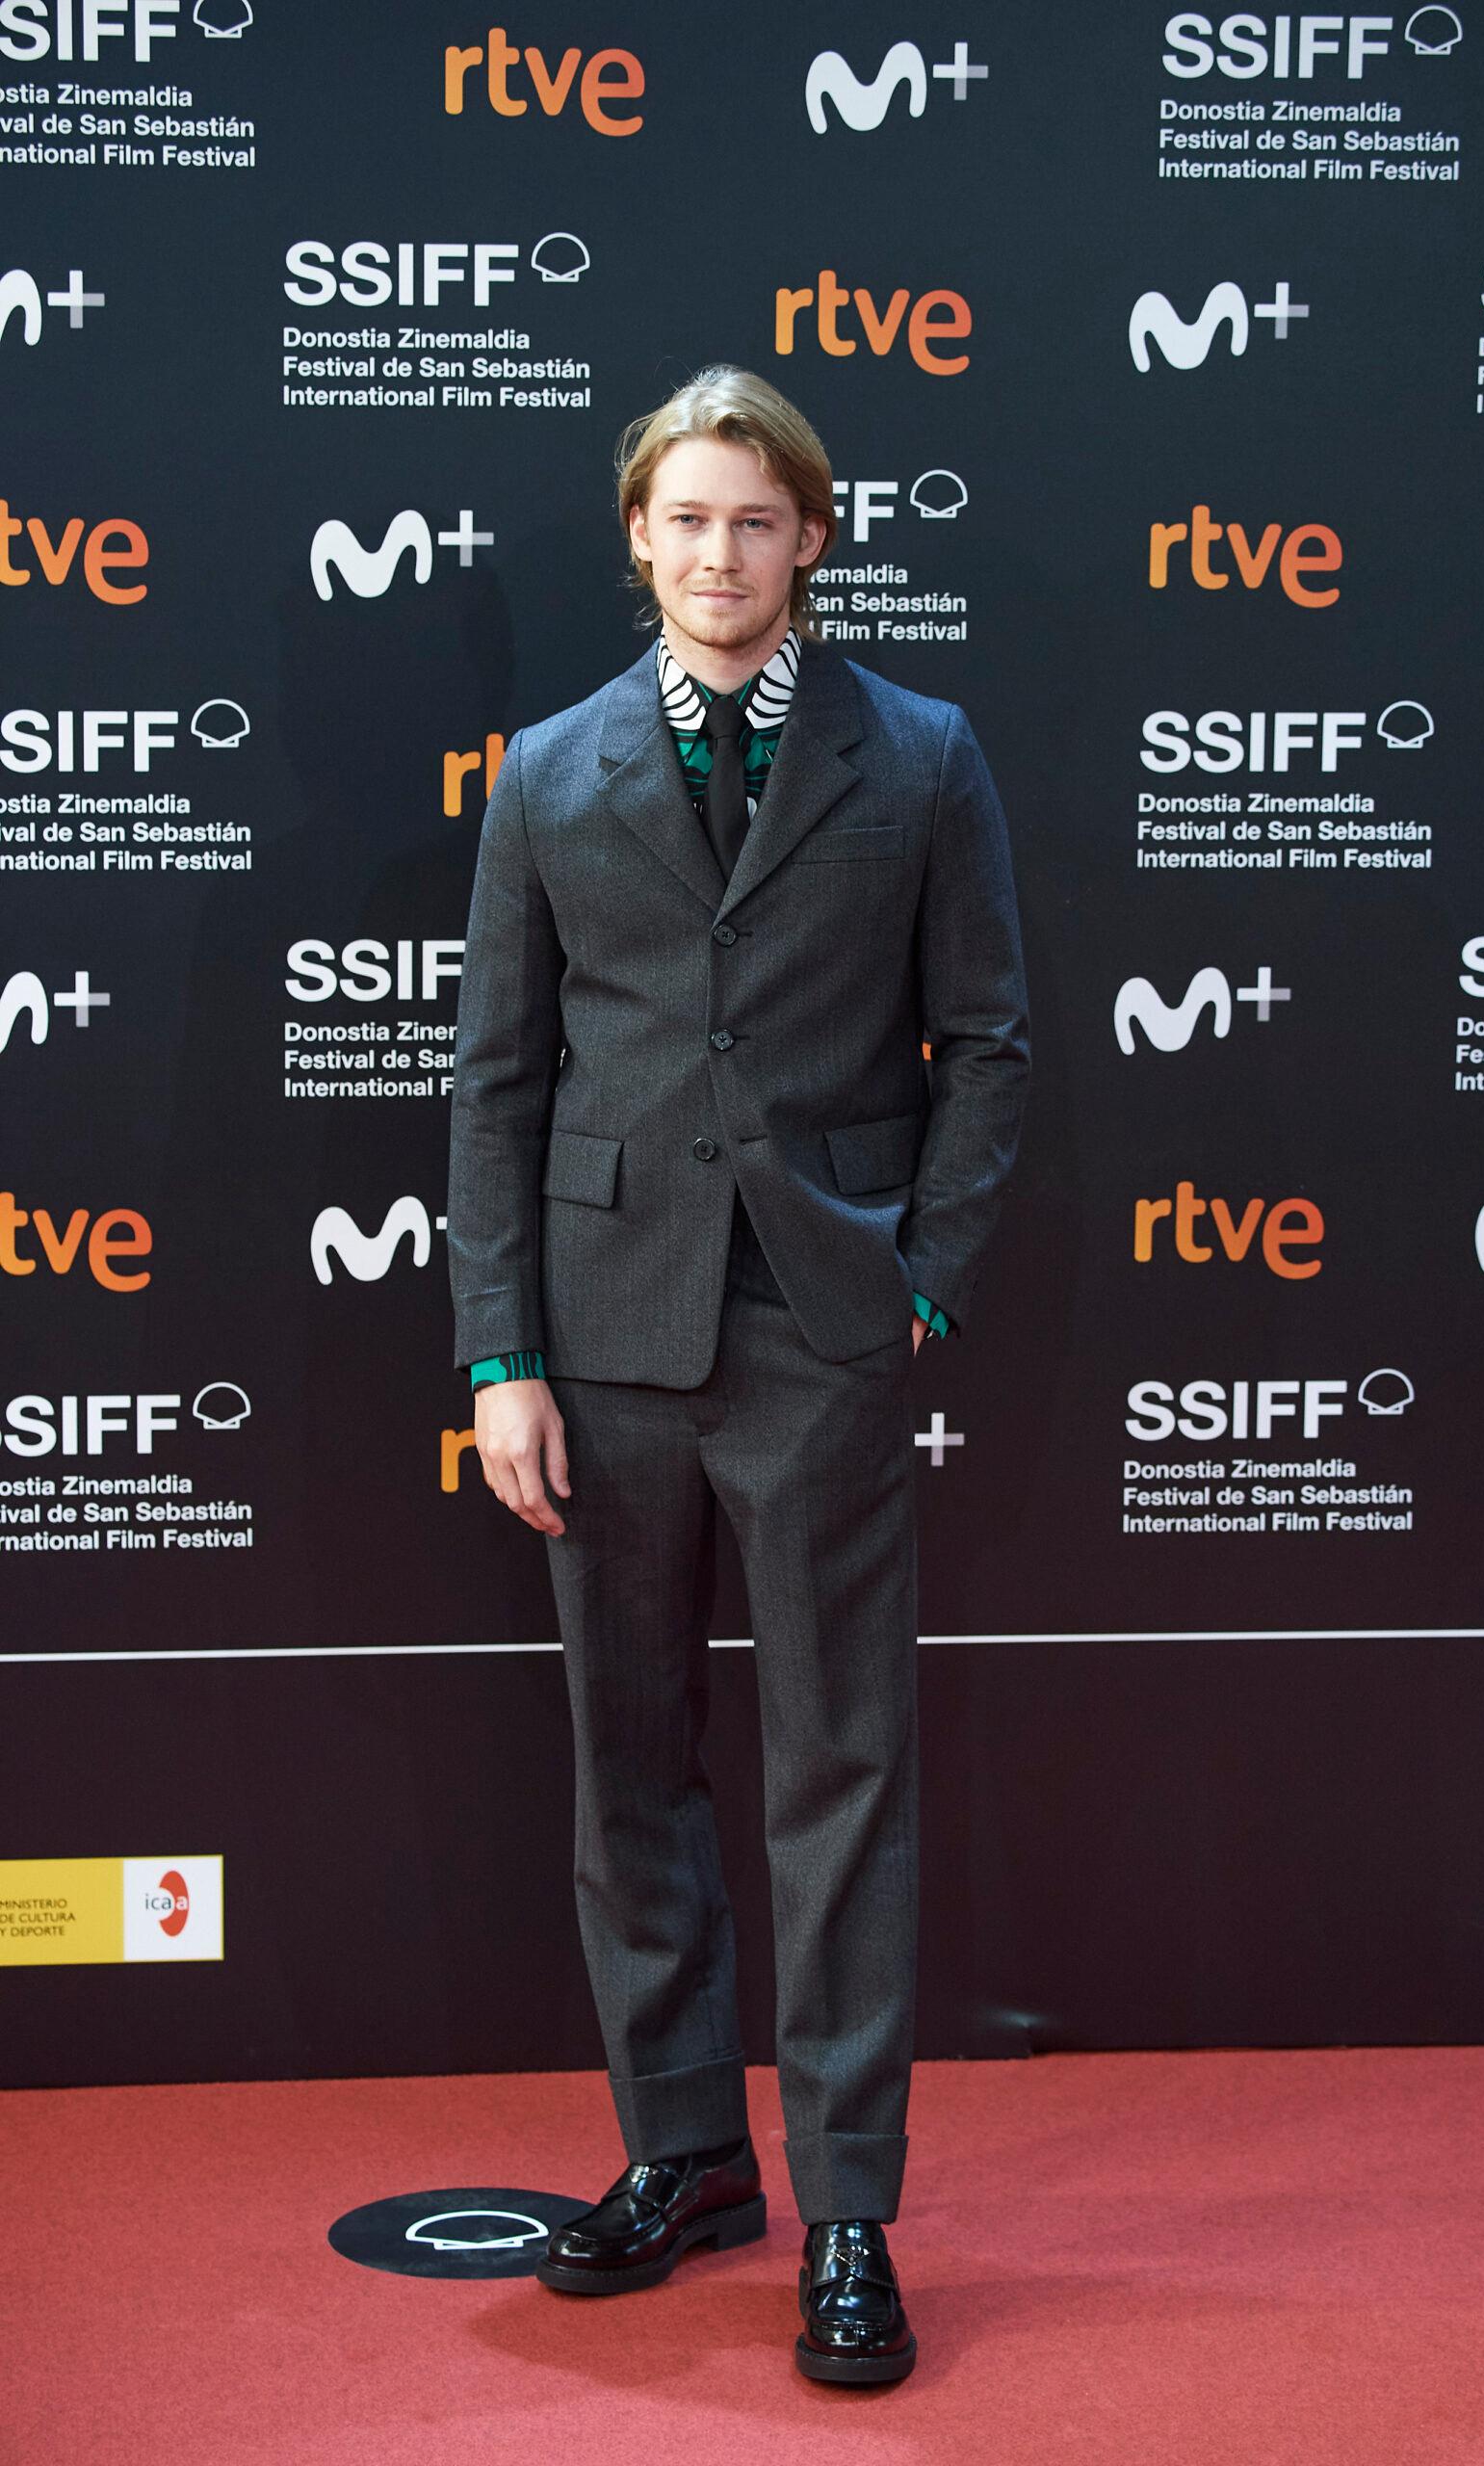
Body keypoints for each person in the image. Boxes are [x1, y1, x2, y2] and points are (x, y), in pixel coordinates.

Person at [446, 363, 1029, 2384]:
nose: (718, 552)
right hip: (600, 1342)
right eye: (684, 519)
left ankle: (847, 2204)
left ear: (810, 536)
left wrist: (918, 1288)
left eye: (754, 520)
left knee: (841, 1771)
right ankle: (683, 2151)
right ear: (636, 536)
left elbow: (992, 1045)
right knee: (633, 1761)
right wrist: (500, 1349)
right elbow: (498, 1079)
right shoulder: (544, 772)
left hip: (823, 1330)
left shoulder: (925, 756)